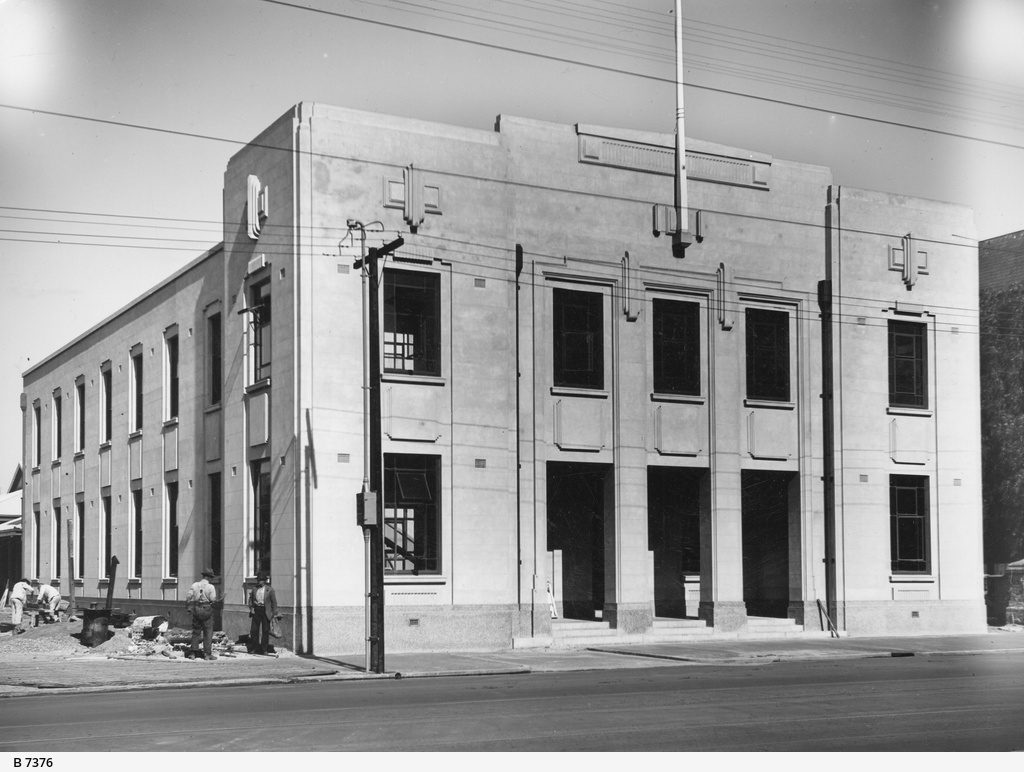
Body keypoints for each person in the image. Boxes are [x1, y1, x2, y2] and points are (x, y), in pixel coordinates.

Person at [185, 567, 218, 660]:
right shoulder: (211, 587)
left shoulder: (195, 585)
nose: (211, 579)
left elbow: (188, 597)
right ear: (208, 577)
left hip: (196, 608)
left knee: (196, 631)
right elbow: (212, 599)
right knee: (208, 632)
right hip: (207, 609)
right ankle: (207, 654)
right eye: (211, 577)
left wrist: (188, 608)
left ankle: (193, 653)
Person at [247, 571, 279, 655]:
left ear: (264, 581)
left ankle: (264, 649)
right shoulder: (254, 589)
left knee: (265, 631)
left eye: (260, 580)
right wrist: (251, 608)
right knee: (254, 630)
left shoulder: (270, 590)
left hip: (266, 611)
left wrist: (275, 613)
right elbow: (250, 600)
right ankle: (255, 648)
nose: (259, 581)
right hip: (257, 610)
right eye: (258, 580)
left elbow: (274, 602)